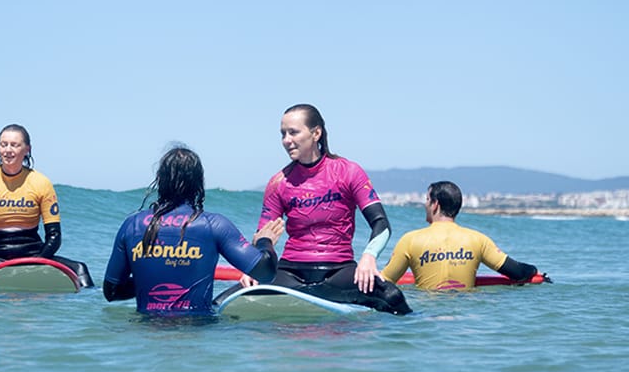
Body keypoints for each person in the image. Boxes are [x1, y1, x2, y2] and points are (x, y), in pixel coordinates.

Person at [225, 103, 411, 316]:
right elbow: (262, 235)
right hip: (290, 274)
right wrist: (256, 266)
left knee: (392, 297)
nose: (287, 140)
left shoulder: (348, 171)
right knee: (224, 301)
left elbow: (381, 224)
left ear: (316, 133)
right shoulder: (279, 182)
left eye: (293, 132)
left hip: (339, 273)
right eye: (283, 134)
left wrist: (369, 257)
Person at [103, 146, 284, 315]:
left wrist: (153, 281)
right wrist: (264, 241)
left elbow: (112, 291)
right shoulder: (214, 225)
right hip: (196, 332)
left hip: (147, 334)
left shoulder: (132, 225)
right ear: (199, 182)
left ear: (160, 179)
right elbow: (265, 273)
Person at [0, 123, 93, 287]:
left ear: (27, 149)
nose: (8, 150)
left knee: (80, 269)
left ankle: (89, 307)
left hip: (33, 254)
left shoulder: (41, 183)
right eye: (3, 144)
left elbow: (55, 236)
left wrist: (39, 260)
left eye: (14, 145)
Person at [381, 180, 543, 290]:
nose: (425, 204)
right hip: (465, 320)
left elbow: (383, 282)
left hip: (425, 318)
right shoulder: (478, 239)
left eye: (427, 199)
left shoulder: (410, 240)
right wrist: (534, 270)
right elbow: (517, 272)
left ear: (435, 204)